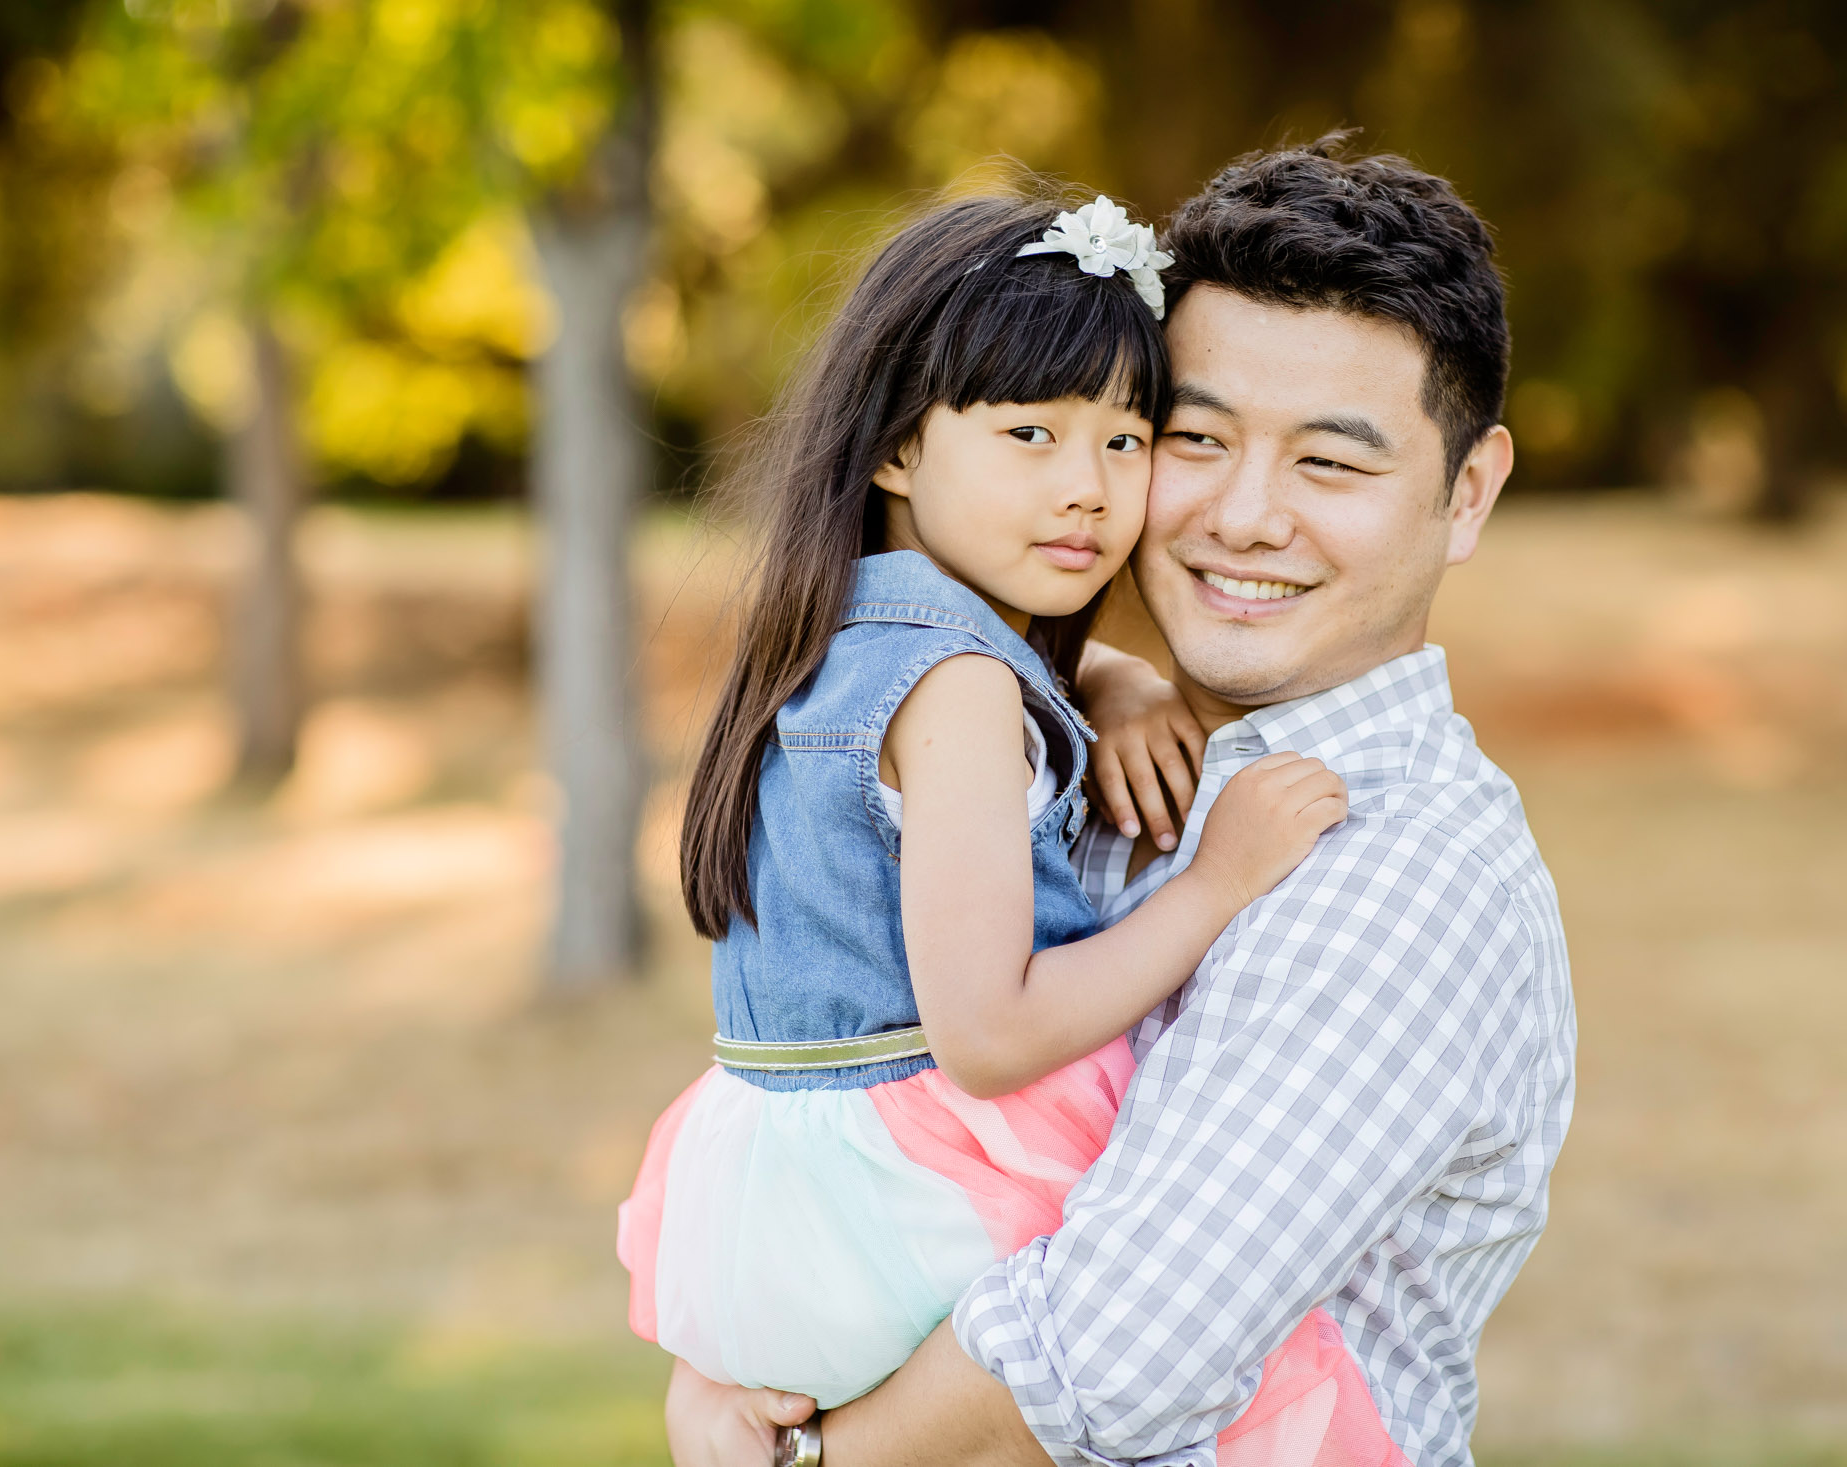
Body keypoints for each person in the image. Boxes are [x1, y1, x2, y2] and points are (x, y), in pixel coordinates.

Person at [665, 137, 1577, 1467]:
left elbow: (1116, 1358)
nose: (1244, 517)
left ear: (1468, 491)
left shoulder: (1399, 869)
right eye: (1194, 439)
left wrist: (798, 1453)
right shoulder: (1043, 744)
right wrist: (731, 1374)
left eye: (1331, 465)